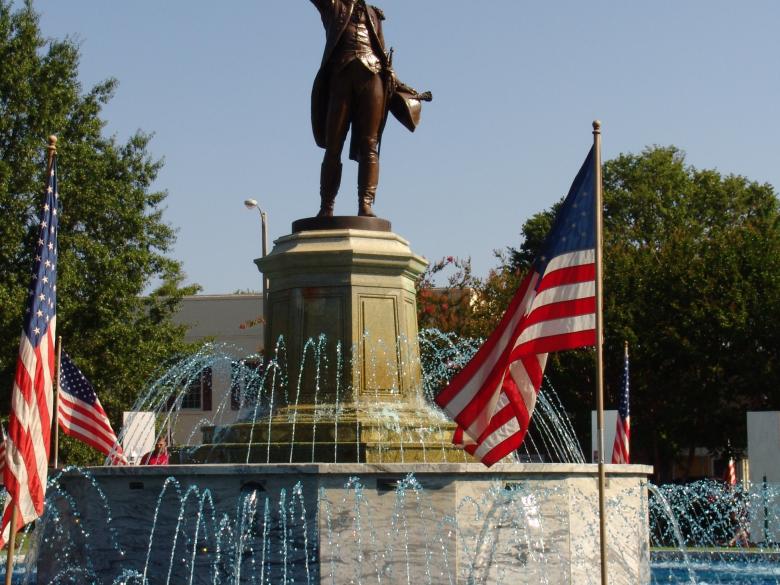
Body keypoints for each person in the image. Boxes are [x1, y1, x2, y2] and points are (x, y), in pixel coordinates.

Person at [307, 0, 430, 218]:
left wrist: (400, 84)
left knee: (369, 144)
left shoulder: (373, 14)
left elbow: (381, 52)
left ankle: (365, 202)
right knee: (333, 144)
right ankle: (327, 206)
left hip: (373, 76)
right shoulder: (333, 5)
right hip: (341, 76)